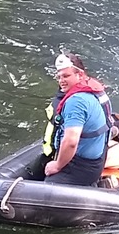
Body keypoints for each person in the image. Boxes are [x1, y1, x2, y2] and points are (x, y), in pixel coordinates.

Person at [42, 52, 112, 186]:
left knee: (49, 187)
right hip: (99, 158)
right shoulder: (94, 88)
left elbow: (71, 142)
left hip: (82, 166)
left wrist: (57, 165)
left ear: (79, 75)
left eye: (66, 76)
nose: (61, 81)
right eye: (59, 77)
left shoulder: (76, 102)